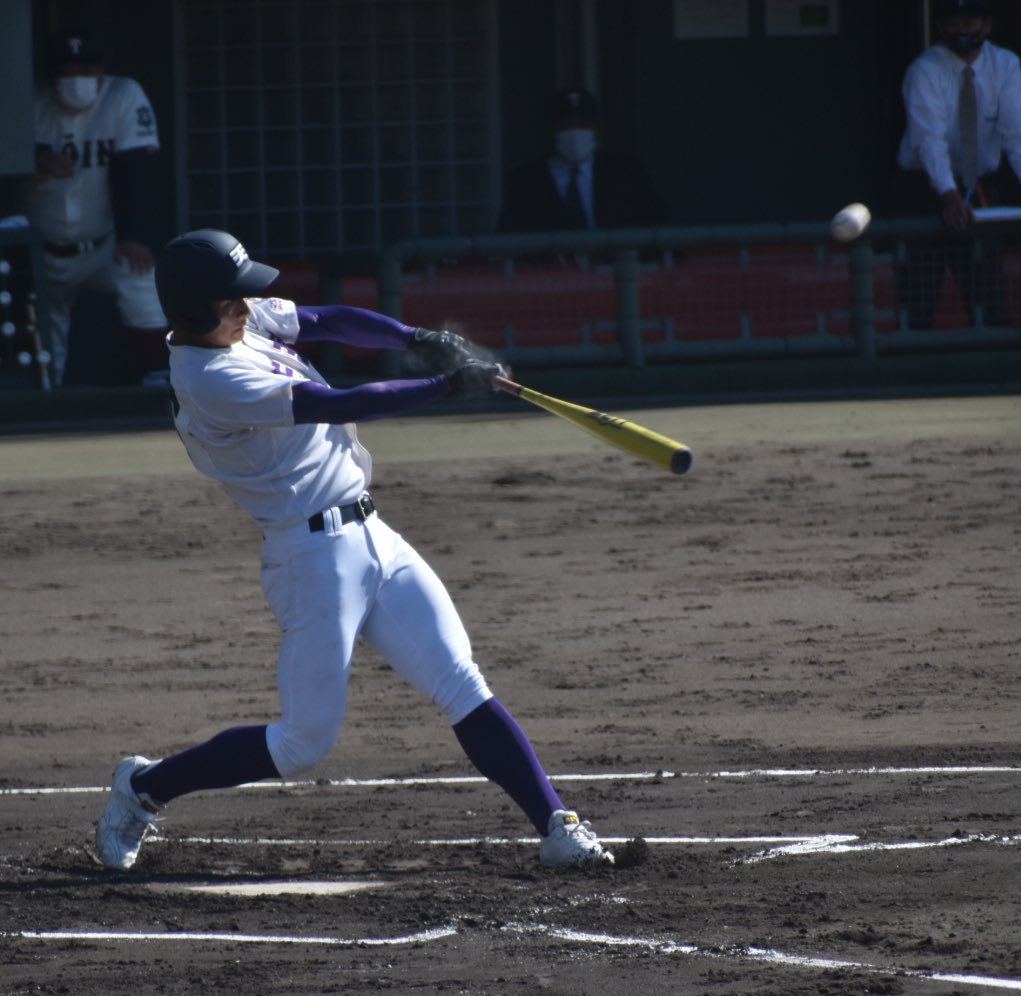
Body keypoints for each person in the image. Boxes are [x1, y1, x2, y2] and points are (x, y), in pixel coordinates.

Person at [94, 227, 614, 873]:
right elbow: (334, 401)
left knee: (461, 683)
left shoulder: (237, 324)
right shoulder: (210, 379)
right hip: (309, 561)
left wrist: (416, 339)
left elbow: (328, 320)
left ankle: (556, 826)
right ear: (197, 308)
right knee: (302, 744)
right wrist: (443, 388)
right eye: (234, 298)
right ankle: (144, 787)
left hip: (374, 535)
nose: (248, 306)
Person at [894, 0, 1021, 329]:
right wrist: (948, 196)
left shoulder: (1005, 65)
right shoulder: (925, 69)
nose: (962, 31)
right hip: (926, 188)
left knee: (988, 300)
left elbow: (1019, 134)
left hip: (978, 186)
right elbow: (929, 139)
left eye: (970, 23)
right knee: (918, 301)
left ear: (986, 25)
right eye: (953, 23)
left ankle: (993, 372)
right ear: (941, 28)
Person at [22, 28, 167, 386]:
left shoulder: (123, 94)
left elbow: (134, 168)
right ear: (52, 74)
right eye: (68, 71)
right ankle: (46, 403)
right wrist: (34, 160)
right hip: (41, 252)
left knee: (140, 275)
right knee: (45, 343)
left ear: (103, 69)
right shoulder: (29, 101)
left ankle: (160, 378)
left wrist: (133, 235)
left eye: (87, 69)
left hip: (103, 245)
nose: (78, 80)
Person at [497, 86, 665, 233]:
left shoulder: (626, 173)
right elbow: (510, 236)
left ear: (597, 130)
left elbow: (655, 225)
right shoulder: (526, 180)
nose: (575, 132)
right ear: (551, 131)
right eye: (565, 126)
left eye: (584, 125)